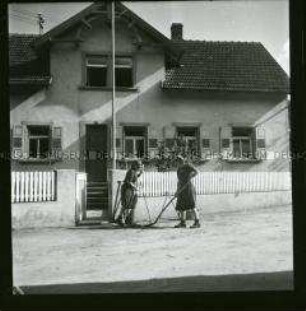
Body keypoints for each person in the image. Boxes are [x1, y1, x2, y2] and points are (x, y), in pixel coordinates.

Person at [175, 155, 201, 228]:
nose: (178, 162)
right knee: (181, 207)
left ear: (182, 160)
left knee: (192, 206)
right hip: (182, 189)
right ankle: (183, 223)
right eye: (177, 161)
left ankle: (197, 222)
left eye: (179, 160)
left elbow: (197, 171)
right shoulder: (178, 169)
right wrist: (177, 191)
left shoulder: (188, 166)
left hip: (189, 188)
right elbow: (179, 181)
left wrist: (191, 176)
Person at [116, 160, 143, 227]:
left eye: (139, 166)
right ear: (134, 165)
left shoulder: (134, 172)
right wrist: (135, 187)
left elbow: (135, 177)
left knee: (131, 206)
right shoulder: (131, 171)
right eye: (138, 166)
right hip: (127, 190)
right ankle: (120, 219)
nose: (139, 167)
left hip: (131, 190)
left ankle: (128, 220)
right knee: (126, 205)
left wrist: (140, 174)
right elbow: (129, 181)